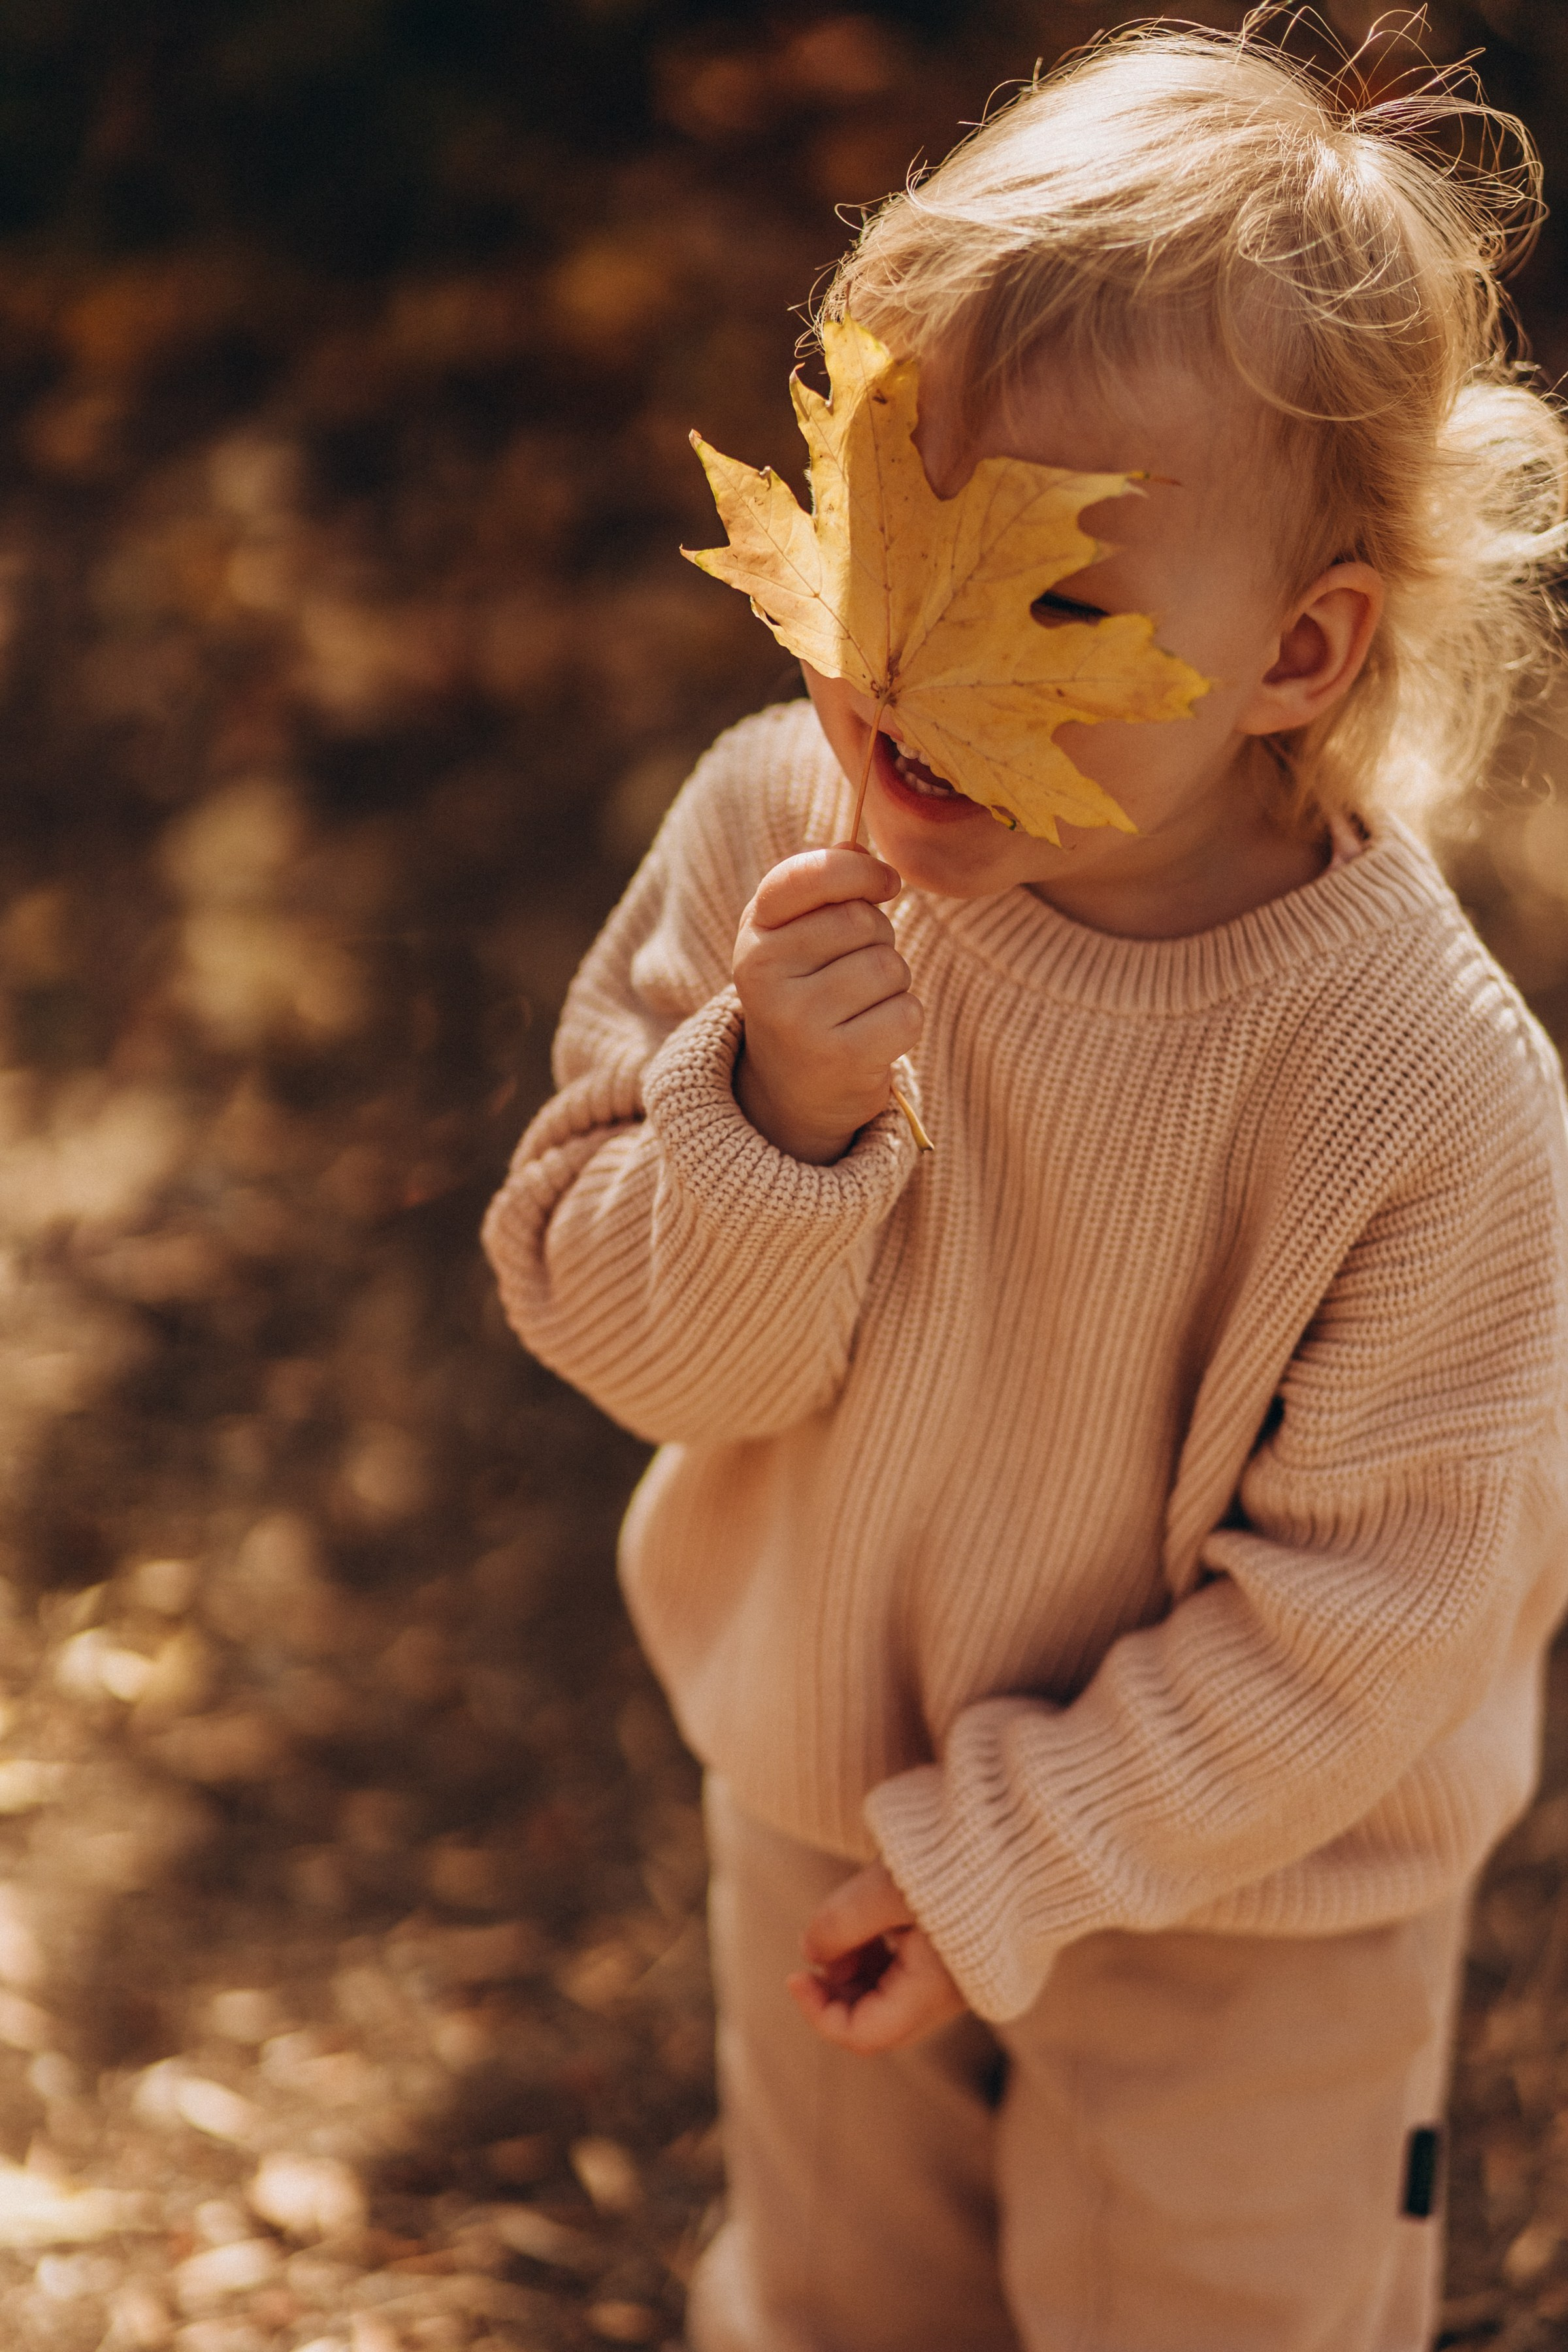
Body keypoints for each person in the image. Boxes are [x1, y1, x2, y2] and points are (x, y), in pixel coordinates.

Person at [483, 21, 1568, 2351]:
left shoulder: (1425, 1085)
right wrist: (765, 1123)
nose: (912, 669)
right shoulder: (781, 828)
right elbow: (607, 1322)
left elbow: (1386, 1607)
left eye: (1056, 601)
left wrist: (1014, 1853)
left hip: (1246, 1912)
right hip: (816, 1779)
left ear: (1300, 651)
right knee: (846, 2308)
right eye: (890, 532)